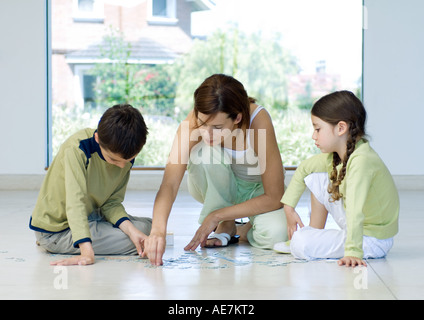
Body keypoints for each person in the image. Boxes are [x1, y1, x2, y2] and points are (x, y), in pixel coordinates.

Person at [143, 74, 287, 265]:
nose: (207, 133)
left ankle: (240, 228)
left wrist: (216, 215)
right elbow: (169, 183)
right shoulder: (193, 122)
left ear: (237, 117)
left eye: (217, 127)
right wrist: (157, 232)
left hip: (257, 191)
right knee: (206, 152)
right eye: (203, 124)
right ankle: (225, 226)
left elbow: (275, 196)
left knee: (278, 235)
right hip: (213, 184)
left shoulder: (258, 122)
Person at [273, 90, 399, 267]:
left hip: (373, 239)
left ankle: (312, 239)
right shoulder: (339, 155)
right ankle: (314, 232)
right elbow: (304, 168)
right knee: (316, 177)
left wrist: (353, 252)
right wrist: (288, 207)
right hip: (359, 228)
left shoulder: (362, 161)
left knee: (301, 243)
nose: (313, 136)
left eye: (317, 129)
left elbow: (355, 209)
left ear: (341, 128)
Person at [30, 104, 152, 266]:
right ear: (97, 140)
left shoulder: (126, 153)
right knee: (143, 242)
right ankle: (71, 242)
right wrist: (86, 252)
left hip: (91, 215)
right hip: (58, 232)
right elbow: (75, 202)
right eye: (114, 160)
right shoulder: (77, 149)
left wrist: (132, 231)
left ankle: (110, 232)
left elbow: (111, 202)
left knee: (150, 227)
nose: (122, 166)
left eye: (128, 161)